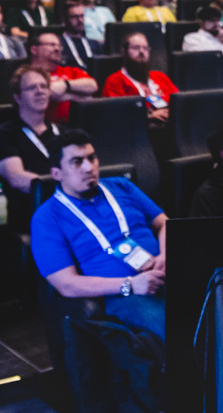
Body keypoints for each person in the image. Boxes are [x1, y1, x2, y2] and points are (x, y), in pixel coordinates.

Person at [32, 128, 167, 340]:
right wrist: (130, 285)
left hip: (164, 273)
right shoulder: (46, 218)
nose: (89, 167)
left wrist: (165, 256)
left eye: (91, 158)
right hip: (123, 295)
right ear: (57, 173)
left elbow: (164, 223)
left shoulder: (121, 186)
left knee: (220, 304)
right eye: (77, 162)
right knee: (176, 328)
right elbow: (66, 284)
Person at [0, 65, 66, 203]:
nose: (40, 92)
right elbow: (18, 179)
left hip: (67, 203)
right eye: (32, 88)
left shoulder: (62, 131)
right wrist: (68, 186)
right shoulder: (4, 134)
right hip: (29, 208)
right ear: (17, 97)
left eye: (44, 86)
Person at [102, 32, 178, 127]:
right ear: (124, 52)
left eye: (145, 48)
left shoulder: (160, 76)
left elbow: (179, 103)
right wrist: (148, 116)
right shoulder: (114, 81)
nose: (141, 52)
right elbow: (116, 115)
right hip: (137, 132)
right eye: (136, 48)